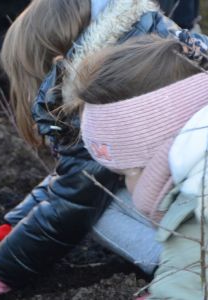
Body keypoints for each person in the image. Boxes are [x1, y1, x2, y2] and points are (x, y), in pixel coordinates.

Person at [0, 0, 208, 299]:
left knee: (101, 204)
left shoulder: (111, 98)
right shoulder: (136, 40)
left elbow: (71, 207)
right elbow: (72, 173)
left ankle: (176, 273)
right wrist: (12, 225)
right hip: (192, 192)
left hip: (195, 230)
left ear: (57, 64)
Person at [76, 35, 208, 299]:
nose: (125, 184)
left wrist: (171, 279)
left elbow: (178, 290)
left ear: (160, 156)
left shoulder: (196, 205)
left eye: (126, 173)